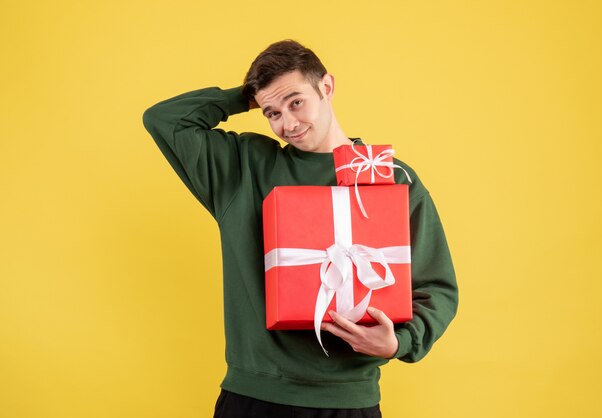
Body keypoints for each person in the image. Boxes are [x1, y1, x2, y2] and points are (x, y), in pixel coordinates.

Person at [142, 39, 458, 418]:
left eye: (296, 101)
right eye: (271, 112)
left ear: (326, 87)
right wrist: (247, 96)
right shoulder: (244, 169)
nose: (287, 124)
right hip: (252, 396)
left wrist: (399, 342)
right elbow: (164, 119)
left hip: (346, 401)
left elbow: (437, 285)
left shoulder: (389, 177)